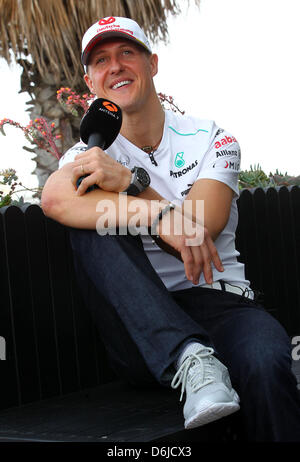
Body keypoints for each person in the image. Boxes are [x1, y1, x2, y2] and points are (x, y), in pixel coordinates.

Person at [41, 16, 300, 441]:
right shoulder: (90, 151)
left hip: (222, 304)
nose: (116, 67)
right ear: (91, 83)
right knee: (87, 220)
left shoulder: (212, 139)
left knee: (265, 363)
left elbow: (202, 229)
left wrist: (129, 184)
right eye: (102, 60)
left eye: (128, 53)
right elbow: (54, 199)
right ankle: (187, 354)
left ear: (153, 64)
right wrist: (156, 214)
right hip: (141, 329)